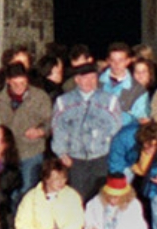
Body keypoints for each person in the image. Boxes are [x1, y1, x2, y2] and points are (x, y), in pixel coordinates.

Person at [50, 60, 123, 201]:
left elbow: (116, 129)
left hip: (101, 158)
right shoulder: (63, 102)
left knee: (100, 198)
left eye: (93, 78)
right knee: (77, 198)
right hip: (75, 159)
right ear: (77, 80)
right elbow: (58, 129)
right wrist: (61, 153)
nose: (90, 82)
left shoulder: (110, 101)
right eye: (85, 78)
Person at [0, 63, 53, 201]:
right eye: (15, 84)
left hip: (31, 152)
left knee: (28, 191)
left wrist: (41, 131)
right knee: (7, 192)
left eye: (23, 83)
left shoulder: (40, 97)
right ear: (8, 81)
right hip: (7, 154)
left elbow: (51, 122)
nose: (19, 87)